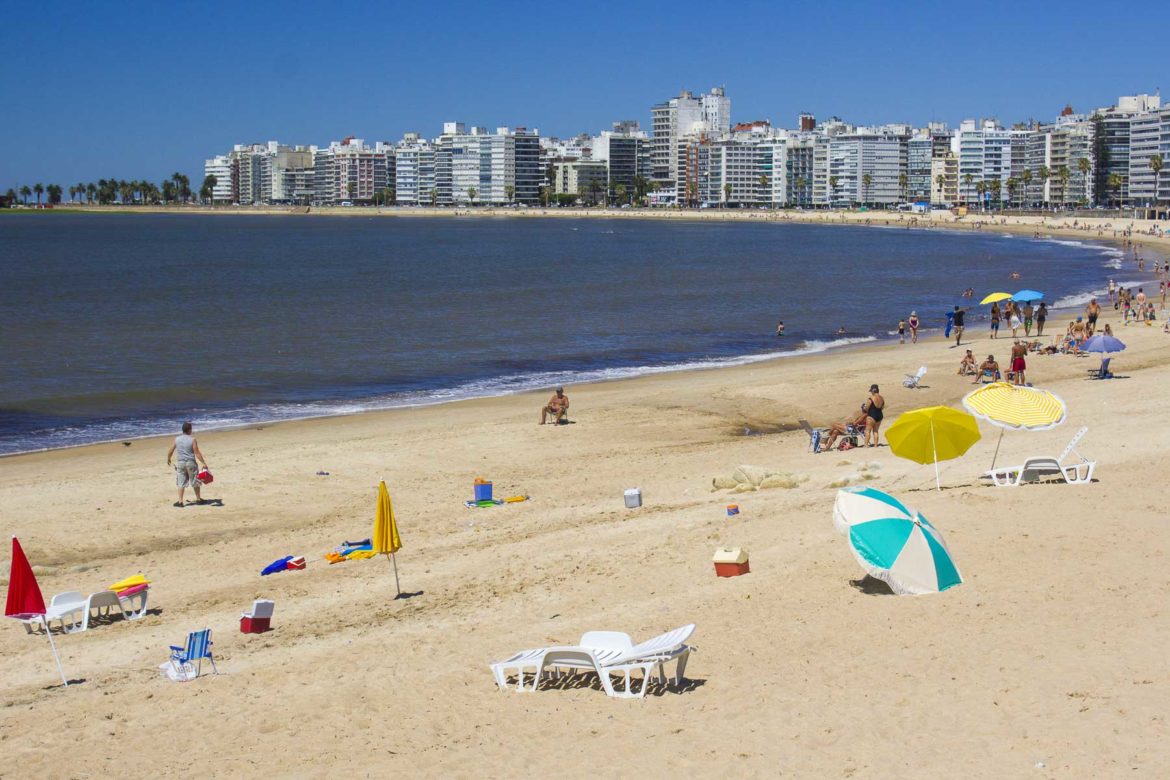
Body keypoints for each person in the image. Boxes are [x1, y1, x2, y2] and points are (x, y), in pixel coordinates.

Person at [166, 421, 209, 508]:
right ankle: (198, 499)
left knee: (180, 482)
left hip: (180, 463)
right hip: (190, 463)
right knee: (195, 481)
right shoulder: (192, 440)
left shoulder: (177, 439)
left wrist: (168, 459)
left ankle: (180, 501)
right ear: (189, 430)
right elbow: (196, 453)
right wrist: (203, 463)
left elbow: (171, 451)